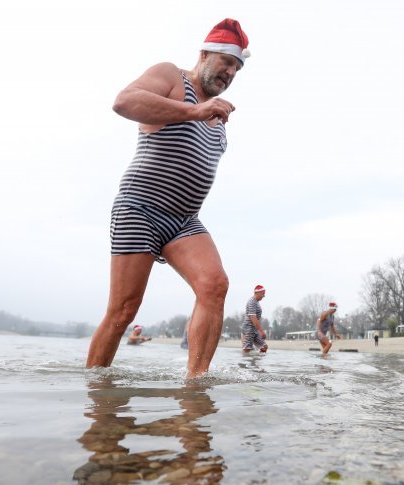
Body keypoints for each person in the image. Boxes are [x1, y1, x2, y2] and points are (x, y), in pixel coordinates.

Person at [85, 19, 251, 377]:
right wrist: (193, 111)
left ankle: (195, 385)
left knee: (214, 285)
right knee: (123, 310)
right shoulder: (172, 78)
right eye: (225, 61)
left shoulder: (219, 120)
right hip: (140, 207)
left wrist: (207, 115)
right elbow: (124, 102)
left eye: (236, 68)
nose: (230, 72)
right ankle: (96, 394)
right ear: (204, 53)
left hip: (184, 220)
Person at [241, 285, 268, 353]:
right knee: (247, 350)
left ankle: (255, 360)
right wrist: (261, 331)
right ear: (257, 293)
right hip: (248, 328)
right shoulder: (252, 302)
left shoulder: (256, 302)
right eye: (263, 294)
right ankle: (245, 362)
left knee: (264, 346)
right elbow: (253, 317)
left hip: (254, 329)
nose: (264, 296)